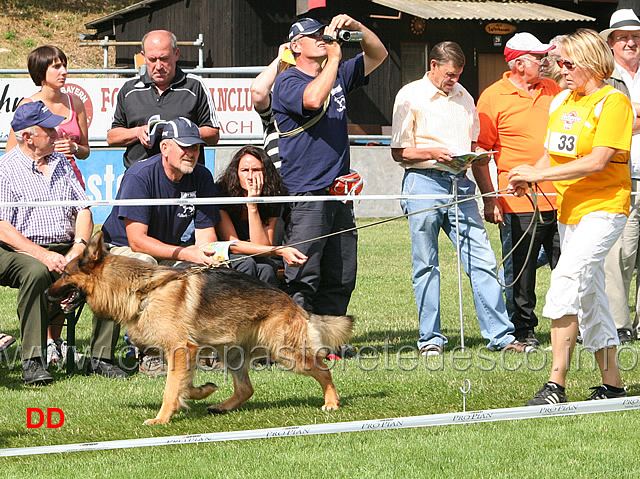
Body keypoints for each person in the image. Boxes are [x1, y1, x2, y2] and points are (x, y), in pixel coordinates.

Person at [509, 29, 634, 404]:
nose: (559, 71)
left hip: (605, 207)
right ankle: (612, 386)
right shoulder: (562, 99)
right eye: (557, 63)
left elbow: (597, 161)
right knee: (591, 294)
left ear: (592, 62)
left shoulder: (613, 102)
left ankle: (555, 385)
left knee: (565, 280)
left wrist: (538, 175)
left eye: (567, 63)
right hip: (570, 211)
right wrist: (527, 173)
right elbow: (553, 155)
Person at [390, 41, 532, 356]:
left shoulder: (465, 97)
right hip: (423, 182)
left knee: (483, 260)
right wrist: (432, 152)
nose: (453, 80)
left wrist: (484, 180)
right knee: (426, 264)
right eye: (449, 74)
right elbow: (399, 152)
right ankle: (430, 339)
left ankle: (502, 337)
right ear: (433, 65)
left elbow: (471, 144)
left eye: (458, 75)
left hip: (461, 183)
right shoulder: (410, 95)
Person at [0, 101, 125, 385]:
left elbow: (83, 209)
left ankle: (101, 357)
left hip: (65, 245)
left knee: (107, 268)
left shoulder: (60, 162)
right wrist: (43, 255)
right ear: (29, 136)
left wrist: (79, 246)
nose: (57, 132)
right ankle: (33, 360)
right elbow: (3, 228)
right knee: (35, 272)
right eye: (49, 128)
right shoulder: (5, 169)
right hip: (18, 248)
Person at [272, 15, 387, 319]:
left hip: (339, 192)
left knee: (341, 273)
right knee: (304, 274)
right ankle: (299, 340)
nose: (323, 40)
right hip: (307, 192)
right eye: (315, 37)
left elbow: (379, 54)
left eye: (325, 35)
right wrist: (335, 58)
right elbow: (312, 99)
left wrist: (358, 28)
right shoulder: (287, 80)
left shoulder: (335, 73)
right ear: (296, 46)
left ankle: (331, 340)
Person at [3, 45, 91, 365]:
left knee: (89, 255)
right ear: (41, 73)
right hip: (34, 192)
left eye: (64, 65)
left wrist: (74, 147)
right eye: (56, 66)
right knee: (44, 265)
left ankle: (79, 348)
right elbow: (15, 154)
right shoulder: (27, 108)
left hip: (64, 176)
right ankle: (47, 344)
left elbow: (86, 150)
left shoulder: (75, 102)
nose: (63, 71)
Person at [475, 32, 561, 348]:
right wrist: (490, 199)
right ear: (520, 63)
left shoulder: (553, 89)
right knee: (521, 272)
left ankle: (572, 326)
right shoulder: (492, 97)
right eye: (539, 58)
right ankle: (523, 331)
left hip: (559, 197)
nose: (545, 62)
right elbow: (481, 155)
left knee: (565, 266)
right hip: (517, 202)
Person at [106, 30, 220, 168]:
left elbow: (213, 134)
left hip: (185, 177)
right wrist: (137, 132)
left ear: (176, 54)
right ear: (143, 56)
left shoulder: (195, 86)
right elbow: (112, 137)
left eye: (164, 59)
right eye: (152, 59)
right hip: (141, 179)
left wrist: (177, 131)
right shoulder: (129, 89)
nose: (158, 66)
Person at [600, 9, 640, 344]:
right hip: (622, 175)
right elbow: (614, 126)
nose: (631, 43)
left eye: (636, 37)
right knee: (620, 254)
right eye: (624, 37)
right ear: (611, 42)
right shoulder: (604, 77)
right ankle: (619, 323)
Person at [215, 145, 308, 286]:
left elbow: (262, 247)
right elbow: (232, 245)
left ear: (265, 173)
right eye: (245, 170)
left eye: (257, 170)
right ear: (236, 173)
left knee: (267, 269)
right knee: (247, 264)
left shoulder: (273, 195)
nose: (251, 177)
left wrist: (253, 205)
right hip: (227, 254)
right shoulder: (223, 193)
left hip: (258, 255)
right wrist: (280, 251)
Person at [250, 43, 291, 166]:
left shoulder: (320, 100)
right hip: (278, 177)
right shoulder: (277, 102)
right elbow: (258, 91)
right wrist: (281, 58)